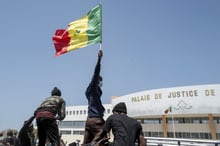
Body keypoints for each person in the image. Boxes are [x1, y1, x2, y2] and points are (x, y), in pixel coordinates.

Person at [82, 50, 105, 145]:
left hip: (89, 121)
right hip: (96, 121)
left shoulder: (90, 91)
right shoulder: (93, 87)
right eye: (100, 80)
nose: (101, 83)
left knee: (86, 143)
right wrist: (99, 59)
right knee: (103, 141)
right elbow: (96, 73)